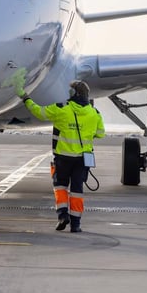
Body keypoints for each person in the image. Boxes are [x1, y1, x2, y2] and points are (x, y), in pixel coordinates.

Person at [20, 81, 105, 233]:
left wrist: (26, 98)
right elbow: (100, 133)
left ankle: (62, 215)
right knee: (77, 190)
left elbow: (39, 112)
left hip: (63, 157)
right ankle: (76, 224)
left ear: (73, 94)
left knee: (60, 186)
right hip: (82, 159)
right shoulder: (94, 113)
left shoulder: (61, 109)